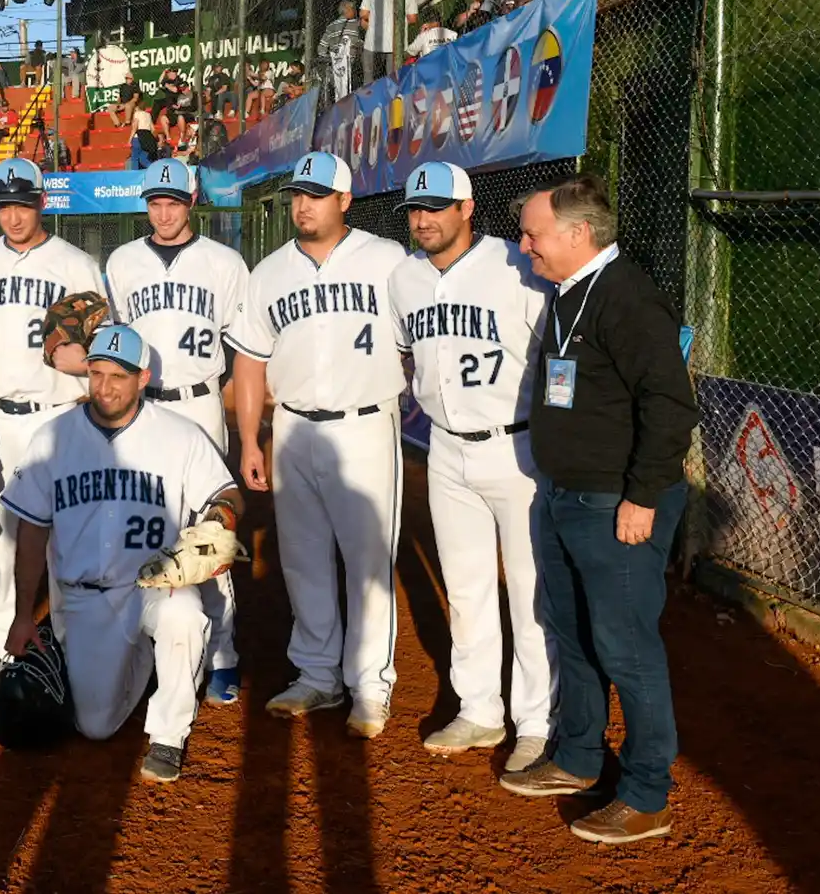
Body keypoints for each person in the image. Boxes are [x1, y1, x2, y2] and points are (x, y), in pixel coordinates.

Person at [501, 174, 698, 845]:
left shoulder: (628, 298)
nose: (524, 245)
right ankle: (579, 758)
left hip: (616, 502)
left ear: (578, 234)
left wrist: (642, 496)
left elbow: (670, 408)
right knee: (573, 632)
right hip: (565, 494)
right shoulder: (568, 293)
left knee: (626, 646)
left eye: (534, 234)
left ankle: (647, 795)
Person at [2, 324, 244, 782]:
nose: (105, 386)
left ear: (143, 377)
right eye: (96, 373)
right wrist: (21, 615)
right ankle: (146, 660)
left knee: (185, 616)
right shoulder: (53, 438)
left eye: (118, 375)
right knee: (95, 727)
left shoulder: (179, 434)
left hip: (156, 583)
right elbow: (31, 532)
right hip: (86, 597)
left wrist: (220, 519)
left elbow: (228, 493)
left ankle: (169, 734)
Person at [228, 151, 406, 736]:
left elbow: (414, 339)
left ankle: (369, 684)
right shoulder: (269, 272)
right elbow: (250, 364)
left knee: (366, 561)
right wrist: (252, 440)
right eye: (297, 195)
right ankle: (316, 673)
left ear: (345, 200)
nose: (303, 204)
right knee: (302, 556)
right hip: (295, 426)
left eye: (316, 194)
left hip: (363, 424)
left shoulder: (387, 260)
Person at [386, 162, 554, 772]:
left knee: (532, 591)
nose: (424, 219)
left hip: (520, 447)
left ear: (467, 208)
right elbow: (406, 356)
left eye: (437, 207)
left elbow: (560, 352)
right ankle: (480, 708)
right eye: (415, 209)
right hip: (446, 448)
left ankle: (537, 721)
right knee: (466, 585)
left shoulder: (517, 265)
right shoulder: (403, 279)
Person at [105, 157, 249, 704]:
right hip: (142, 410)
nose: (164, 212)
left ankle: (223, 654)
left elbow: (243, 348)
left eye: (174, 201)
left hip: (200, 404)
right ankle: (149, 644)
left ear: (191, 203)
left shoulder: (224, 262)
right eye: (155, 202)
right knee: (142, 523)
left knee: (208, 529)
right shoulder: (122, 262)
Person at [0, 158, 107, 694]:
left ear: (42, 203)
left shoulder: (74, 263)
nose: (13, 216)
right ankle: (5, 648)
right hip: (1, 418)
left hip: (59, 417)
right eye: (4, 205)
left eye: (22, 204)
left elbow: (99, 341)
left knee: (64, 542)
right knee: (1, 540)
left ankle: (69, 646)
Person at [360, 0, 419, 84]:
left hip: (373, 42)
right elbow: (413, 18)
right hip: (395, 42)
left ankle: (370, 102)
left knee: (369, 80)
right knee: (393, 80)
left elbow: (363, 14)